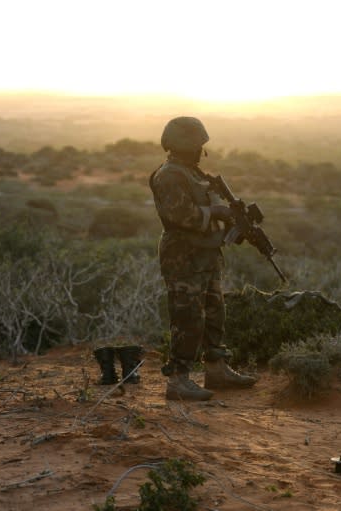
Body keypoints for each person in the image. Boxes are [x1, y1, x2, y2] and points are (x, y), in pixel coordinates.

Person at [149, 116, 256, 401]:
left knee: (214, 311)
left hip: (205, 253)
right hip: (183, 256)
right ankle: (179, 379)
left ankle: (216, 368)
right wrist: (216, 213)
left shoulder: (193, 173)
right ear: (183, 145)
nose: (201, 150)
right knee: (187, 316)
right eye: (197, 144)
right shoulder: (170, 175)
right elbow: (182, 216)